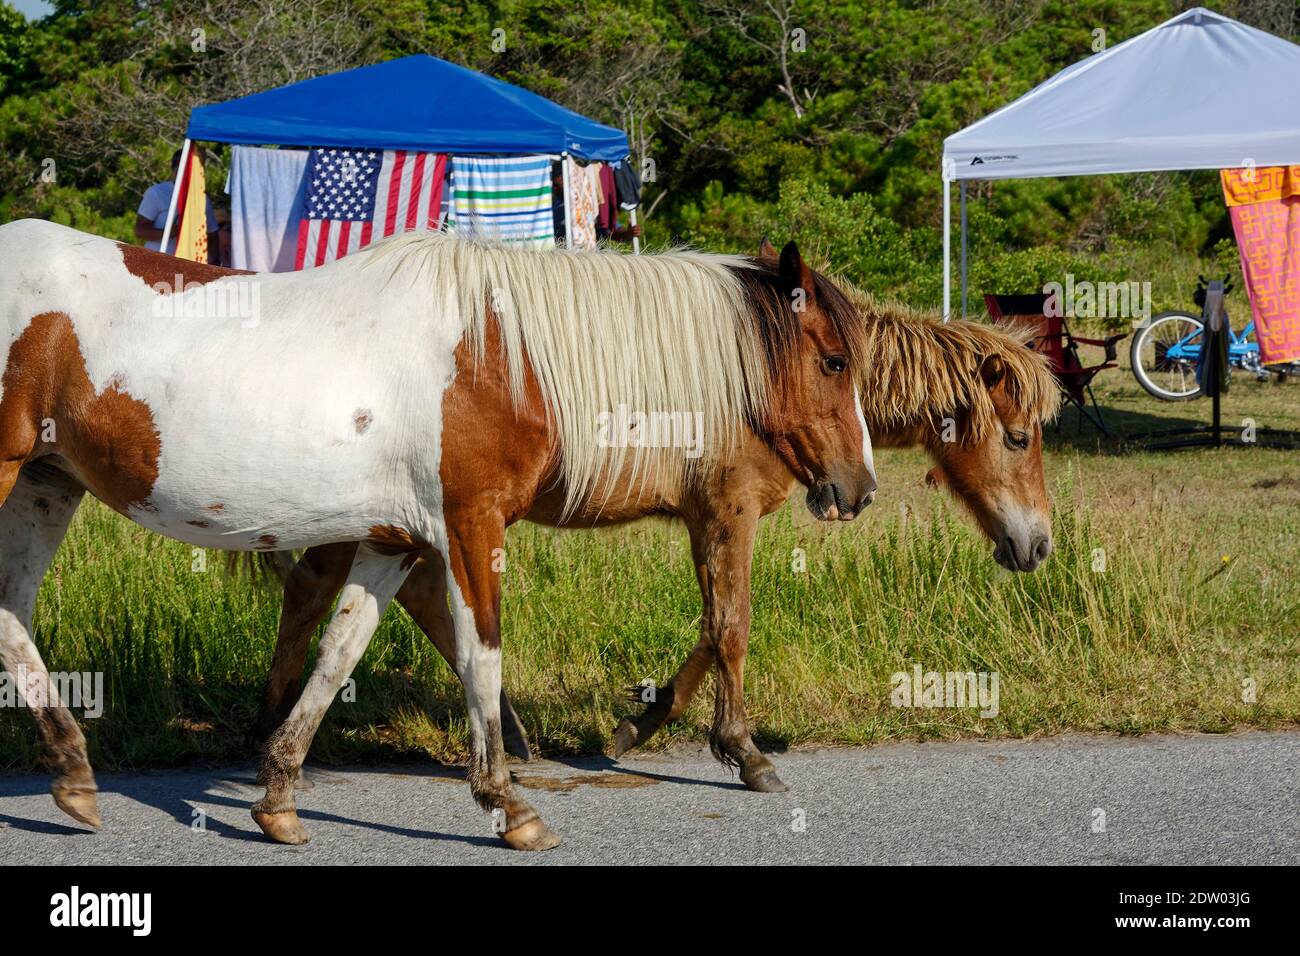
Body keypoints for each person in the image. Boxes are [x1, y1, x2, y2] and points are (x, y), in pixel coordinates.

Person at [135, 146, 219, 259]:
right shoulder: (157, 193)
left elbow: (213, 238)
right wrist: (169, 232)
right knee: (170, 277)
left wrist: (213, 266)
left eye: (198, 168)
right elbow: (140, 230)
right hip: (156, 263)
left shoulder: (202, 199)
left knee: (178, 277)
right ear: (174, 169)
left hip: (185, 267)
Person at [550, 161, 641, 246]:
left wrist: (627, 234)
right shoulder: (551, 208)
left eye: (559, 184)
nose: (556, 188)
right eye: (555, 185)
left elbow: (610, 230)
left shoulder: (589, 204)